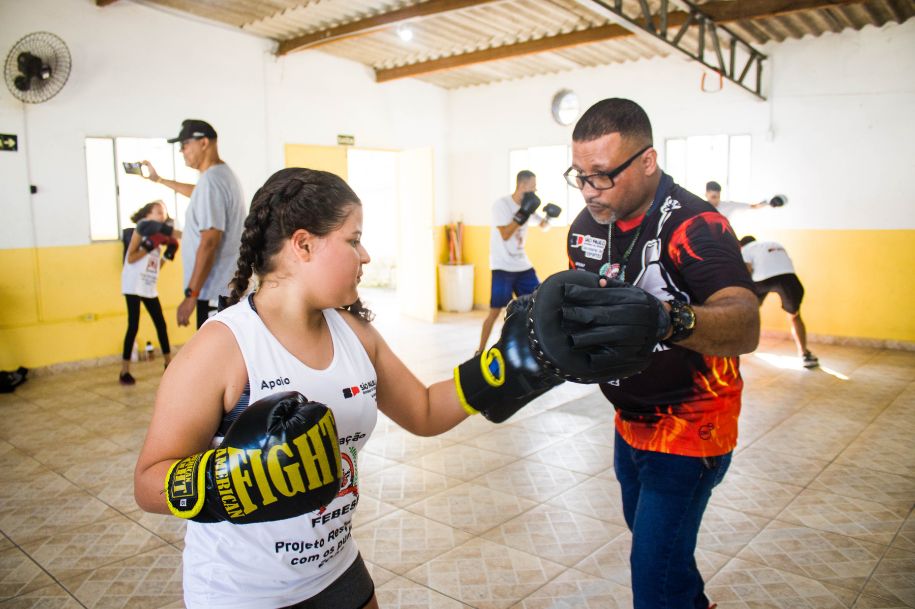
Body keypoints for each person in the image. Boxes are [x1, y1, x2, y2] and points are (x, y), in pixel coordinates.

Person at [134, 167, 576, 608]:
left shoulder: (354, 333)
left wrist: (498, 371)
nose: (365, 256)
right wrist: (228, 484)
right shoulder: (224, 347)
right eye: (353, 240)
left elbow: (422, 410)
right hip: (240, 591)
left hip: (336, 570)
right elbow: (147, 483)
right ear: (303, 245)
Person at [563, 98, 760, 609]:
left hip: (693, 425)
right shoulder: (586, 226)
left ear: (647, 161)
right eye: (580, 175)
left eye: (602, 175)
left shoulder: (695, 226)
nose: (589, 190)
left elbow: (745, 322)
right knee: (664, 555)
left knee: (652, 580)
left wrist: (669, 319)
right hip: (629, 420)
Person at [138, 119, 245, 329]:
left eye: (185, 145)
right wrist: (159, 180)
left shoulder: (211, 182)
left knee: (214, 359)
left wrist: (191, 295)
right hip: (227, 289)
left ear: (203, 143)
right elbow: (197, 194)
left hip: (215, 293)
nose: (181, 151)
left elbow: (209, 242)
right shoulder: (221, 176)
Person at [477, 170, 550, 355]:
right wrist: (523, 212)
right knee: (495, 311)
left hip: (522, 265)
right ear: (522, 185)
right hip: (502, 266)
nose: (535, 190)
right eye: (533, 186)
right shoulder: (501, 205)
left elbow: (544, 227)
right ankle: (479, 351)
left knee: (538, 303)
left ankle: (535, 349)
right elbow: (505, 233)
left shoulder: (529, 205)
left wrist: (549, 215)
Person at [119, 200, 177, 385]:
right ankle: (124, 371)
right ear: (147, 215)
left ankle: (169, 364)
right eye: (158, 212)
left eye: (164, 212)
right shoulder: (141, 229)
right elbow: (132, 257)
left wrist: (168, 255)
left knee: (160, 323)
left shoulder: (159, 235)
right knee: (133, 325)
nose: (163, 215)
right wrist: (149, 245)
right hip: (133, 284)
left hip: (148, 285)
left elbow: (155, 267)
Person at [740, 236, 818, 368]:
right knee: (795, 316)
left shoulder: (745, 249)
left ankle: (742, 349)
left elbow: (747, 270)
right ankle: (805, 354)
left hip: (761, 280)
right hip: (788, 278)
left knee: (751, 312)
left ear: (741, 245)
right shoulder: (774, 243)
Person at [705, 180, 785, 220]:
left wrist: (769, 203)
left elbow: (753, 206)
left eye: (717, 196)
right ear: (706, 195)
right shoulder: (699, 206)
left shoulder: (728, 205)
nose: (715, 200)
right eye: (713, 197)